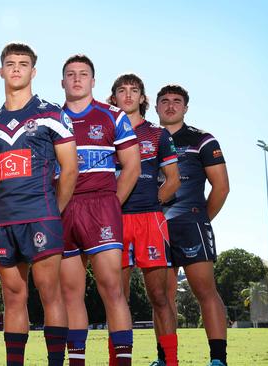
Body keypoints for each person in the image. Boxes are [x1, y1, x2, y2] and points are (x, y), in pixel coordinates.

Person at [0, 42, 77, 366]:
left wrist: (53, 208)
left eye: (23, 64)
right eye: (10, 63)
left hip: (42, 216)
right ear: (1, 71)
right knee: (13, 298)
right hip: (4, 220)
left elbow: (70, 168)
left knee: (50, 293)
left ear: (33, 71)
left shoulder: (52, 114)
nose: (17, 68)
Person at [59, 55, 141, 366]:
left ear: (93, 81)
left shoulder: (112, 115)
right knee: (71, 294)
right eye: (70, 74)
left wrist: (111, 203)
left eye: (83, 74)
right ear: (62, 81)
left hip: (102, 205)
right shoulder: (52, 118)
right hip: (65, 207)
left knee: (112, 288)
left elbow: (132, 166)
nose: (77, 79)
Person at [108, 74, 181, 366]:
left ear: (142, 98)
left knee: (160, 297)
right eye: (121, 91)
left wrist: (152, 202)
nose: (127, 95)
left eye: (133, 90)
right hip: (115, 222)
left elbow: (173, 180)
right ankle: (118, 361)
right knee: (116, 298)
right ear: (112, 98)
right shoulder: (105, 133)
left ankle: (170, 361)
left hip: (150, 221)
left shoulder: (158, 134)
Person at [157, 84, 230, 366]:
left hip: (192, 223)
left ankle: (217, 360)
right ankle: (165, 358)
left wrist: (201, 219)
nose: (171, 106)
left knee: (204, 290)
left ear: (185, 108)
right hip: (157, 227)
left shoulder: (202, 139)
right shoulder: (148, 139)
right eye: (165, 101)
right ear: (156, 107)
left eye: (177, 101)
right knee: (162, 296)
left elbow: (221, 188)